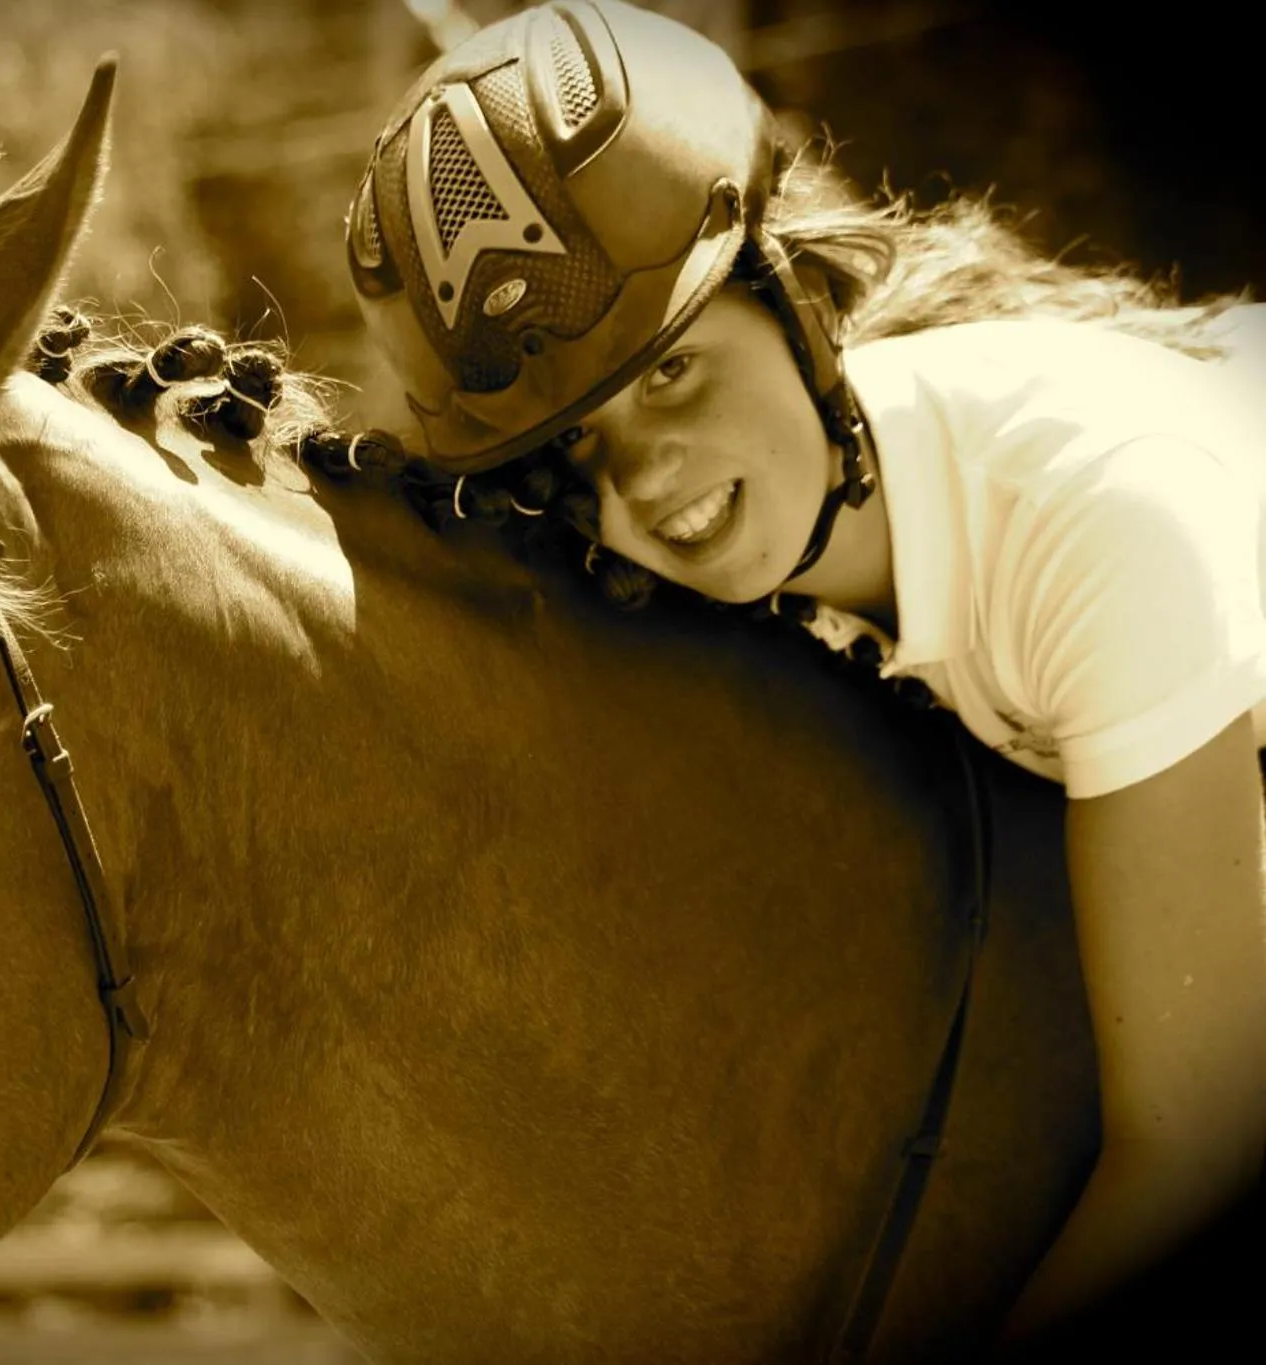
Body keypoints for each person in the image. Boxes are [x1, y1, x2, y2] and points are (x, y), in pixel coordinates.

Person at [334, 0, 1266, 1352]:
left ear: (801, 300)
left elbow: (1203, 1147)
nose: (644, 478)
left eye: (671, 376)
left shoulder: (1100, 525)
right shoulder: (785, 571)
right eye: (576, 454)